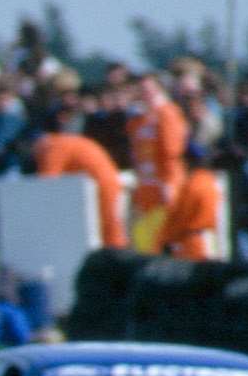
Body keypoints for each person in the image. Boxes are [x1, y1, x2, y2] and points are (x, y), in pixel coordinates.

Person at [34, 108, 128, 249]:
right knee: (108, 224)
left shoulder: (54, 146)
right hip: (105, 179)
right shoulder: (66, 141)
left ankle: (117, 258)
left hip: (101, 183)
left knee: (109, 226)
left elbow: (48, 180)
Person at [126, 71, 186, 252]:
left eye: (149, 90)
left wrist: (169, 184)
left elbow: (171, 151)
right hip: (146, 189)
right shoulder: (141, 118)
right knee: (142, 240)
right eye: (141, 90)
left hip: (164, 188)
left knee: (157, 238)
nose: (145, 94)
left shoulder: (168, 113)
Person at [158, 142, 227, 260]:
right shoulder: (212, 183)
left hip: (194, 243)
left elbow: (180, 217)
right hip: (212, 240)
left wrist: (166, 239)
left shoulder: (192, 185)